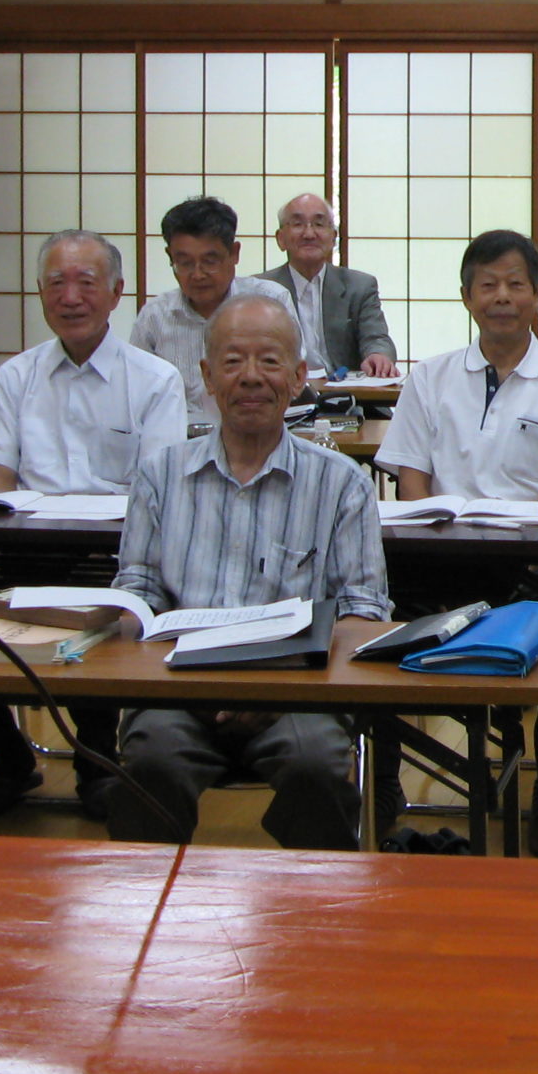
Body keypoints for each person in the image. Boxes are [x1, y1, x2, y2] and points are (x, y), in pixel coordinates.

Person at [106, 292, 389, 847]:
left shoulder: (341, 483)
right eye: (233, 362)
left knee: (318, 768)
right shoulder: (160, 475)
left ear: (298, 375)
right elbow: (136, 591)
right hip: (178, 691)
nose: (251, 378)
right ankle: (152, 923)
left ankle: (321, 918)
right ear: (208, 376)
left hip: (296, 696)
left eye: (269, 361)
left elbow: (364, 611)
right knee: (150, 764)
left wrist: (275, 688)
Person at [375, 229, 538, 859]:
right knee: (365, 617)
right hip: (439, 558)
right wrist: (426, 525)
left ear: (535, 295)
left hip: (529, 562)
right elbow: (409, 472)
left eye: (515, 284)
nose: (501, 297)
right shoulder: (430, 378)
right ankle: (383, 785)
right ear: (466, 297)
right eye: (488, 285)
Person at [0, 228, 189, 820]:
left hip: (115, 551)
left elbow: (157, 491)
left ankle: (96, 761)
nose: (71, 296)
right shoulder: (17, 376)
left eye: (87, 282)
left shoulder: (154, 380)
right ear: (40, 294)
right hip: (25, 546)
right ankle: (9, 758)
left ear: (116, 292)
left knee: (110, 608)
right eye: (56, 283)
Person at [127, 194, 287, 425]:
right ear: (170, 257)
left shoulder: (271, 302)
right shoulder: (154, 317)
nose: (198, 274)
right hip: (176, 440)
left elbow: (289, 378)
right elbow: (136, 392)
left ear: (234, 253)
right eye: (185, 263)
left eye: (210, 261)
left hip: (254, 432)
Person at [255, 191, 398, 379]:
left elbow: (376, 337)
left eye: (319, 224)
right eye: (298, 224)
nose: (309, 234)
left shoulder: (359, 286)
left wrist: (378, 355)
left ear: (333, 238)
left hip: (348, 398)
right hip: (283, 396)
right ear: (280, 239)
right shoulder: (260, 289)